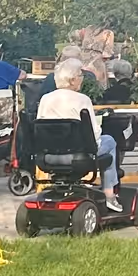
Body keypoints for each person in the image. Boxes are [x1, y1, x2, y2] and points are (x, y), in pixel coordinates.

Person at [33, 59, 121, 208]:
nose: (82, 79)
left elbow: (40, 127)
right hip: (78, 155)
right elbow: (94, 134)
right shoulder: (83, 99)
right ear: (72, 79)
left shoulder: (45, 99)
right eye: (80, 76)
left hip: (48, 155)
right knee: (110, 141)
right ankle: (109, 194)